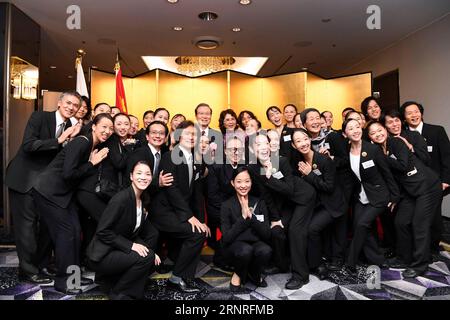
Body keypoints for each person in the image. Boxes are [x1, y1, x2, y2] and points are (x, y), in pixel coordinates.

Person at [5, 91, 83, 284]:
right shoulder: (40, 117)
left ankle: (40, 266)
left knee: (46, 229)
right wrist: (59, 140)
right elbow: (29, 145)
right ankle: (28, 271)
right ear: (59, 103)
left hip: (46, 187)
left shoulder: (73, 127)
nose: (71, 107)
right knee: (26, 228)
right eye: (68, 103)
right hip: (24, 180)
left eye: (75, 105)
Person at [32, 113, 114, 294]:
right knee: (67, 235)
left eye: (111, 128)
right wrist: (92, 163)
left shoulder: (91, 144)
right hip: (48, 193)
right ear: (94, 126)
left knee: (76, 233)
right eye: (104, 127)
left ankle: (74, 277)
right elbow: (68, 173)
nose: (107, 131)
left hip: (63, 195)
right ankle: (64, 282)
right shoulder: (82, 142)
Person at [366, 121, 441, 278]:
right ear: (370, 138)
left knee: (419, 224)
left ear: (385, 130)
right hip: (409, 191)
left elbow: (402, 165)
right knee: (401, 222)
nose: (377, 134)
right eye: (373, 133)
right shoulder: (379, 150)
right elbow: (390, 178)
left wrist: (382, 158)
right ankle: (404, 257)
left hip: (426, 186)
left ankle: (421, 264)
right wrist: (394, 198)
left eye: (379, 130)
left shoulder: (396, 142)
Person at [149, 120, 210, 293]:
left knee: (199, 231)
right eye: (189, 133)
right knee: (197, 234)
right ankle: (177, 278)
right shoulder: (171, 156)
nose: (193, 137)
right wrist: (189, 217)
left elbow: (195, 194)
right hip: (163, 212)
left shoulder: (193, 157)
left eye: (195, 135)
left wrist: (199, 219)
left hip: (178, 211)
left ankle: (185, 276)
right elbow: (172, 189)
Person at [87, 161, 161, 300]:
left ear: (151, 178)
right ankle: (119, 293)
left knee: (150, 256)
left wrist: (149, 251)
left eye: (147, 174)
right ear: (131, 176)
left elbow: (131, 232)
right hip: (102, 255)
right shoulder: (121, 199)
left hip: (115, 250)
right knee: (147, 258)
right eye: (139, 173)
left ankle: (118, 286)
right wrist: (133, 246)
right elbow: (103, 231)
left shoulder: (142, 199)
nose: (143, 177)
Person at [342, 118, 400, 274]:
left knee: (362, 224)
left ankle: (350, 262)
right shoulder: (346, 152)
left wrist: (394, 196)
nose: (355, 130)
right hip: (361, 197)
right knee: (361, 227)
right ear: (345, 133)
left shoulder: (372, 149)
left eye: (357, 127)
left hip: (379, 196)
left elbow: (386, 173)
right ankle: (377, 260)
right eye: (350, 128)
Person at [290, 128, 346, 280]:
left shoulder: (323, 159)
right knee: (302, 228)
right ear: (294, 146)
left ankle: (318, 265)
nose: (303, 143)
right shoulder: (298, 162)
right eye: (298, 141)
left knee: (312, 229)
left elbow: (329, 187)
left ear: (310, 139)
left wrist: (310, 175)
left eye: (305, 139)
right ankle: (313, 262)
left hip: (332, 205)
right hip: (316, 204)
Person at [400, 101, 450, 260]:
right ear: (404, 117)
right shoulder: (402, 135)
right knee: (418, 217)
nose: (413, 115)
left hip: (435, 184)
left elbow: (447, 157)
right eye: (409, 113)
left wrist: (445, 181)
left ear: (421, 113)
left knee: (434, 217)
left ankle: (433, 247)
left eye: (416, 112)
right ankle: (420, 248)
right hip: (414, 185)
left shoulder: (436, 131)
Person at [221, 167, 272, 291]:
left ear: (251, 182)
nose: (243, 185)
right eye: (239, 182)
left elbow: (267, 235)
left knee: (266, 250)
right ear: (233, 183)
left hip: (255, 242)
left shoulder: (259, 203)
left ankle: (254, 273)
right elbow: (227, 238)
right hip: (235, 246)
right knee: (245, 250)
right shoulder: (226, 205)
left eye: (247, 181)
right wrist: (243, 218)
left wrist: (252, 218)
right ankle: (238, 273)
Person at [207, 137, 246, 258]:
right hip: (219, 208)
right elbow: (212, 195)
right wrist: (233, 210)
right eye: (231, 149)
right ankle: (224, 258)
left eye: (239, 149)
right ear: (225, 151)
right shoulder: (216, 166)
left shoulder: (246, 166)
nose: (235, 152)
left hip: (241, 206)